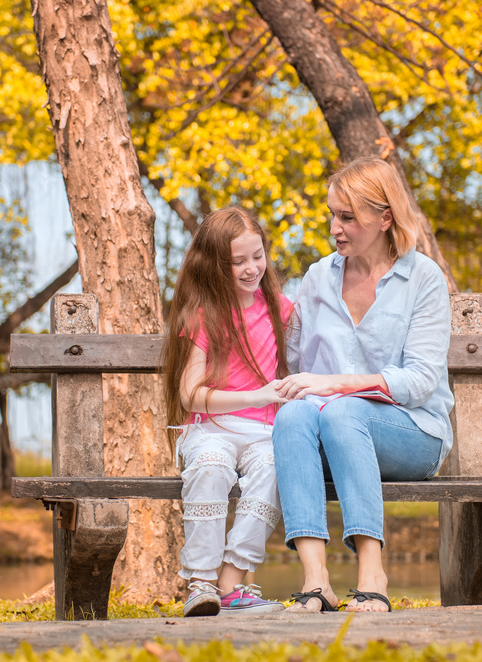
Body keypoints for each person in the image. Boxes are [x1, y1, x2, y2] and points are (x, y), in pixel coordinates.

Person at [272, 157, 454, 613]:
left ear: (385, 217)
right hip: (331, 435)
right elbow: (294, 366)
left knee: (340, 409)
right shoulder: (317, 278)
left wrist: (336, 386)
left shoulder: (423, 278)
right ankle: (316, 581)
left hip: (413, 433)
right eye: (332, 214)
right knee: (295, 411)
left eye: (348, 217)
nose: (335, 227)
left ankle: (373, 574)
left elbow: (420, 380)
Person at [161, 206, 293, 617]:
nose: (252, 268)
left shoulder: (281, 310)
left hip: (262, 432)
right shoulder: (203, 315)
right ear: (216, 265)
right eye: (239, 261)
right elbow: (190, 396)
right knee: (213, 465)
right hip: (211, 427)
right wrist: (256, 396)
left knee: (276, 465)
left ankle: (233, 582)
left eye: (258, 255)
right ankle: (201, 581)